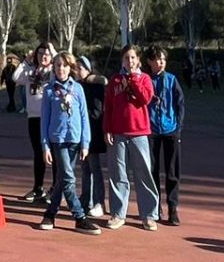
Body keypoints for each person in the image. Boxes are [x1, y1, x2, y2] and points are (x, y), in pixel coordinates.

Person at [36, 54, 98, 234]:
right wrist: (45, 146)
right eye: (57, 66)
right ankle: (79, 217)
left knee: (63, 179)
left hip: (75, 139)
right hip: (58, 140)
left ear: (70, 67)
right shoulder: (49, 91)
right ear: (53, 68)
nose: (60, 69)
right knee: (69, 179)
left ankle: (50, 213)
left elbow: (85, 117)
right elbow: (44, 120)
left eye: (64, 66)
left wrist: (86, 142)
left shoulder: (77, 88)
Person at [102, 45, 158, 230]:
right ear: (122, 61)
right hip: (118, 133)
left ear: (139, 60)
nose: (130, 61)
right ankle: (118, 214)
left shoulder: (145, 79)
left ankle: (149, 215)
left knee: (143, 174)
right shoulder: (115, 80)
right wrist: (107, 129)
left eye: (133, 58)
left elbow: (145, 99)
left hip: (139, 133)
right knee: (118, 174)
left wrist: (134, 78)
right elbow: (108, 107)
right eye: (127, 58)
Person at [145, 45, 185, 227]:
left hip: (170, 130)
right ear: (149, 62)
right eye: (156, 59)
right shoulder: (145, 80)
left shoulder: (171, 80)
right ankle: (155, 207)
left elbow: (180, 104)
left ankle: (173, 207)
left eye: (163, 59)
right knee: (152, 170)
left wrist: (178, 127)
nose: (160, 62)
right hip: (151, 130)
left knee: (172, 171)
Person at [12, 43, 55, 201]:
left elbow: (62, 65)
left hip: (50, 117)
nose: (43, 56)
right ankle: (38, 188)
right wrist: (27, 60)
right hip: (34, 117)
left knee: (53, 154)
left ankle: (55, 189)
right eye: (40, 53)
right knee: (38, 153)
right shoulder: (30, 70)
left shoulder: (53, 71)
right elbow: (15, 77)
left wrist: (53, 51)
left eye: (47, 54)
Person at [76, 55, 109, 217]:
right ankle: (85, 199)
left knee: (95, 168)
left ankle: (99, 202)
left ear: (88, 70)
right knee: (85, 168)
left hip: (93, 134)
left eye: (80, 68)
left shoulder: (95, 86)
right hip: (81, 134)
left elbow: (97, 112)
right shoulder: (77, 85)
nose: (77, 71)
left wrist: (81, 115)